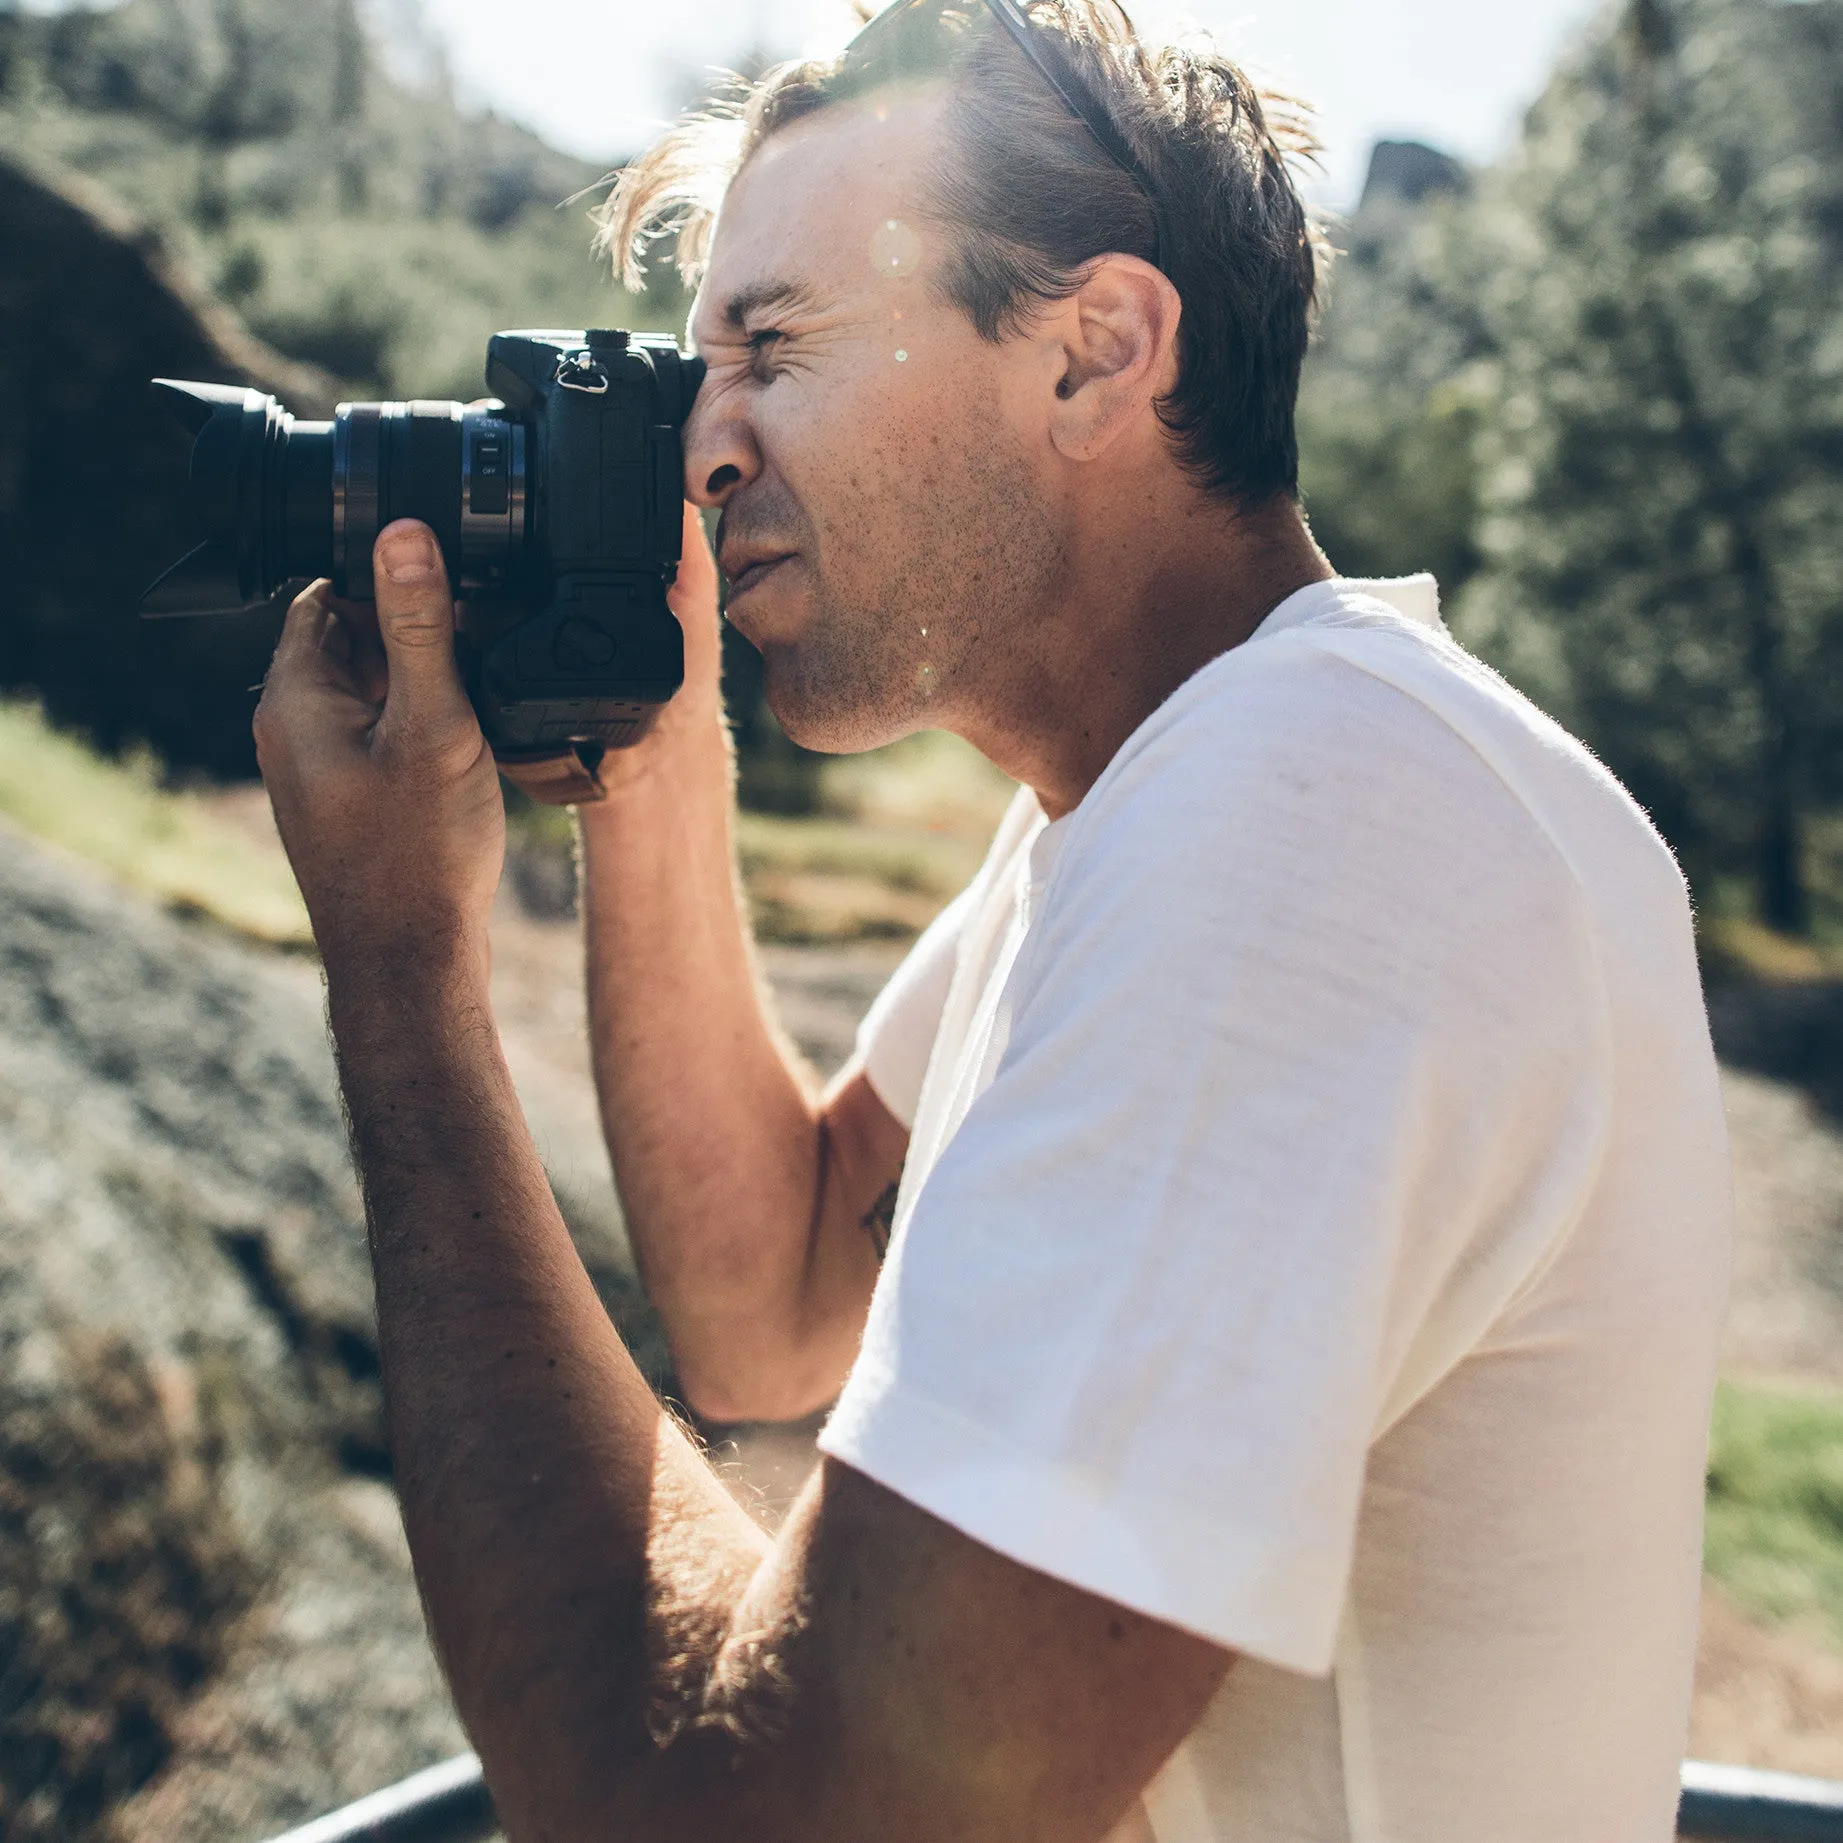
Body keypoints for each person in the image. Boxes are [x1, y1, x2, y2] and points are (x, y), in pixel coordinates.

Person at [252, 1, 1733, 1837]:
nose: (704, 451)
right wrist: (640, 709)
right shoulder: (1156, 804)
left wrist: (402, 975)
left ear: (1094, 351)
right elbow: (771, 1292)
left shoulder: (1307, 821)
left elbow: (760, 1819)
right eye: (690, 380)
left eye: (773, 349)